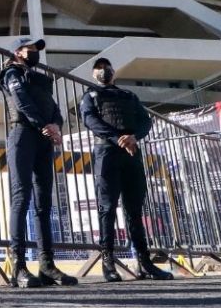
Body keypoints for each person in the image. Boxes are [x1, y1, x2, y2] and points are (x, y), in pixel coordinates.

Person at [80, 58, 173, 282]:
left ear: (114, 72)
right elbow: (90, 120)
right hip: (107, 154)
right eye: (99, 68)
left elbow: (145, 122)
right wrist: (118, 139)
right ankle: (108, 263)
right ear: (94, 74)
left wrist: (134, 137)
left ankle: (144, 263)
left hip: (132, 154)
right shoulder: (90, 95)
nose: (104, 71)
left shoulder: (129, 96)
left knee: (134, 210)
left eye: (107, 67)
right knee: (107, 208)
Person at [0, 37, 77, 287]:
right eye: (29, 49)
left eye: (35, 50)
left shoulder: (40, 78)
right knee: (21, 198)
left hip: (43, 138)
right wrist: (44, 125)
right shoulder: (11, 73)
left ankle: (47, 265)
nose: (33, 53)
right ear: (17, 52)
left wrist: (56, 125)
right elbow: (20, 100)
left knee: (44, 202)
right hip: (22, 134)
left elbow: (54, 107)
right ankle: (18, 267)